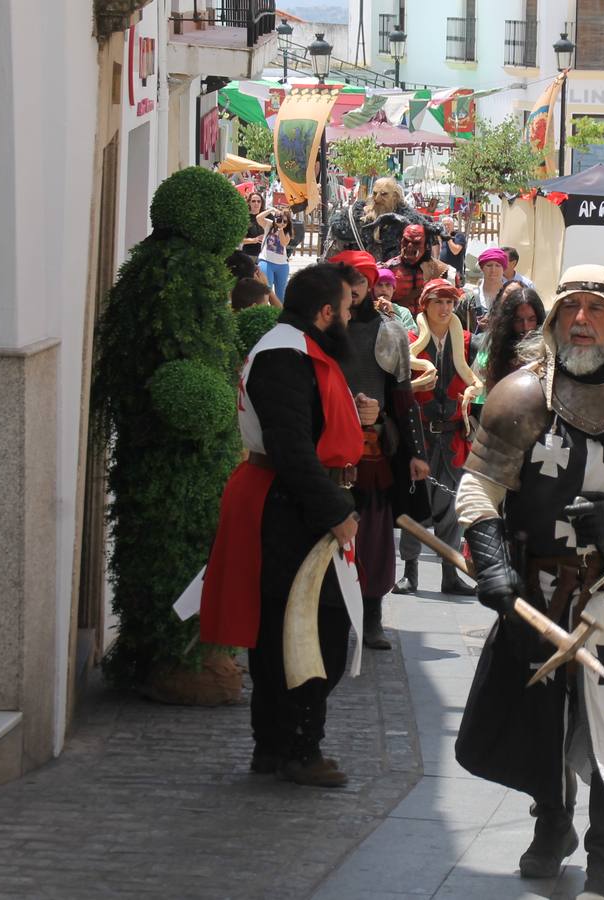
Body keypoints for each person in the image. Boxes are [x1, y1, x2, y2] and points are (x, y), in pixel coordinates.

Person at [454, 263, 604, 899]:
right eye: (571, 309)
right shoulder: (520, 395)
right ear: (555, 318)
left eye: (596, 309)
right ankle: (552, 826)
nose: (582, 321)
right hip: (540, 587)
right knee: (540, 719)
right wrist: (492, 560)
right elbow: (479, 486)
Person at [197, 262, 375, 788]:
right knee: (309, 631)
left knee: (288, 631)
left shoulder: (296, 349)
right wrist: (335, 511)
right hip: (288, 506)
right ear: (325, 313)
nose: (349, 315)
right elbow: (291, 449)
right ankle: (297, 747)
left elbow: (306, 430)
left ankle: (276, 746)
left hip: (294, 501)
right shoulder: (284, 355)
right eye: (345, 308)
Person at [331, 250, 433, 650]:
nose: (353, 287)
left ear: (370, 283)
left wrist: (415, 452)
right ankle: (333, 614)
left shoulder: (388, 331)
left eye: (359, 279)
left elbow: (403, 398)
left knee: (372, 539)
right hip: (327, 450)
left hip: (371, 450)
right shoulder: (323, 326)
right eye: (347, 278)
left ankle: (371, 616)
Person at [393, 279, 481, 596]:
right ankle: (410, 573)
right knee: (417, 504)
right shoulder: (411, 340)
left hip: (454, 438)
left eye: (450, 303)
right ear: (425, 305)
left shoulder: (468, 341)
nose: (445, 309)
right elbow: (397, 388)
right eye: (438, 302)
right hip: (421, 438)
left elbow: (479, 377)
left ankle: (450, 574)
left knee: (452, 509)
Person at [383, 222, 457, 315]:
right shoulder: (388, 269)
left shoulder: (440, 270)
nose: (409, 246)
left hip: (427, 325)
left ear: (426, 245)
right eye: (406, 241)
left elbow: (452, 301)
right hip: (398, 323)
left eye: (416, 242)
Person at [463, 247, 509, 333]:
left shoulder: (512, 297)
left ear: (504, 269)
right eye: (489, 265)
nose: (493, 270)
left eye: (498, 265)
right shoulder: (468, 299)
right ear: (482, 268)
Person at [257, 205, 292, 303]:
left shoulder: (287, 232)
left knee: (280, 295)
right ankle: (265, 314)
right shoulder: (269, 225)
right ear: (275, 218)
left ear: (288, 223)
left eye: (285, 221)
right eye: (280, 219)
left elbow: (283, 243)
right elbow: (258, 218)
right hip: (266, 261)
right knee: (265, 291)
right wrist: (271, 210)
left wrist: (280, 229)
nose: (282, 223)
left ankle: (278, 316)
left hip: (282, 265)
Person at [373, 267, 416, 332]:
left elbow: (412, 336)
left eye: (388, 285)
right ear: (373, 289)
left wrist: (391, 313)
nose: (384, 289)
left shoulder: (403, 312)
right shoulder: (367, 309)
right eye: (379, 285)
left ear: (394, 289)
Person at [439, 215, 467, 281]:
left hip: (455, 272)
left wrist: (448, 239)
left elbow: (455, 251)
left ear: (453, 225)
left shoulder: (459, 235)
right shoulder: (444, 236)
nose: (446, 227)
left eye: (448, 225)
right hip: (444, 270)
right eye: (444, 225)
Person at [242, 191, 267, 258]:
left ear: (262, 203)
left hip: (266, 256)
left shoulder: (268, 216)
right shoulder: (245, 218)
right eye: (253, 201)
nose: (256, 203)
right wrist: (254, 240)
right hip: (249, 255)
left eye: (259, 201)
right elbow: (240, 240)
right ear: (249, 202)